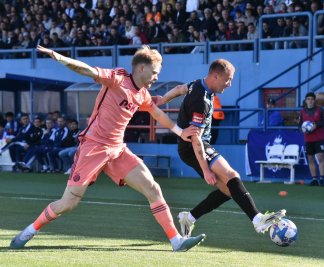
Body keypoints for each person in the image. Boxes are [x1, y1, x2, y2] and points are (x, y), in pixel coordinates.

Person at [10, 45, 206, 252]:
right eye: (155, 72)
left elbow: (157, 114)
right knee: (68, 203)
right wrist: (59, 57)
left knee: (153, 189)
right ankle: (30, 230)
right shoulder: (117, 79)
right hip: (93, 147)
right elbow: (86, 70)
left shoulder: (143, 95)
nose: (157, 77)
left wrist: (179, 131)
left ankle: (176, 241)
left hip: (117, 150)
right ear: (141, 68)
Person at [154, 59, 286, 238]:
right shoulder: (201, 101)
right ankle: (258, 220)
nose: (229, 84)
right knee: (232, 176)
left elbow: (179, 89)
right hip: (193, 146)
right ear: (216, 76)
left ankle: (190, 218)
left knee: (229, 190)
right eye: (228, 79)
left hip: (193, 146)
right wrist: (206, 169)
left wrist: (162, 99)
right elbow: (195, 138)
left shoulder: (197, 85)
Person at [299, 92, 324, 186]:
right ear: (305, 101)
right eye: (308, 99)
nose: (310, 101)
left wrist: (316, 126)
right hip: (308, 139)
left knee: (320, 158)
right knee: (310, 159)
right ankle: (314, 179)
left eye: (312, 99)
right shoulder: (302, 111)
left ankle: (322, 179)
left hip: (319, 137)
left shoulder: (320, 110)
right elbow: (299, 125)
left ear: (314, 101)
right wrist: (303, 129)